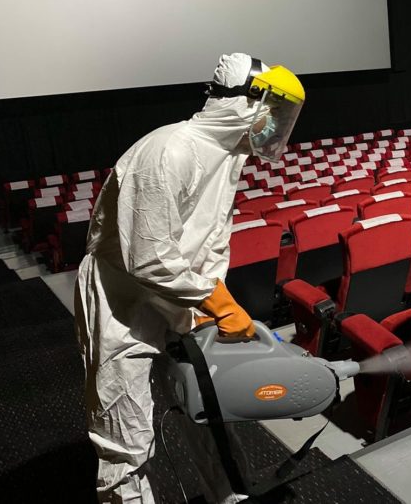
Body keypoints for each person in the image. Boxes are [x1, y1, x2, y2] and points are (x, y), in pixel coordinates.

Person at [74, 53, 305, 503]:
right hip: (124, 301)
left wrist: (210, 302)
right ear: (244, 102)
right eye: (274, 112)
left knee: (210, 408)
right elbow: (148, 257)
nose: (276, 126)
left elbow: (212, 239)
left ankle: (231, 495)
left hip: (184, 298)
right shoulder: (168, 151)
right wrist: (217, 303)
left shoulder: (229, 156)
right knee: (125, 429)